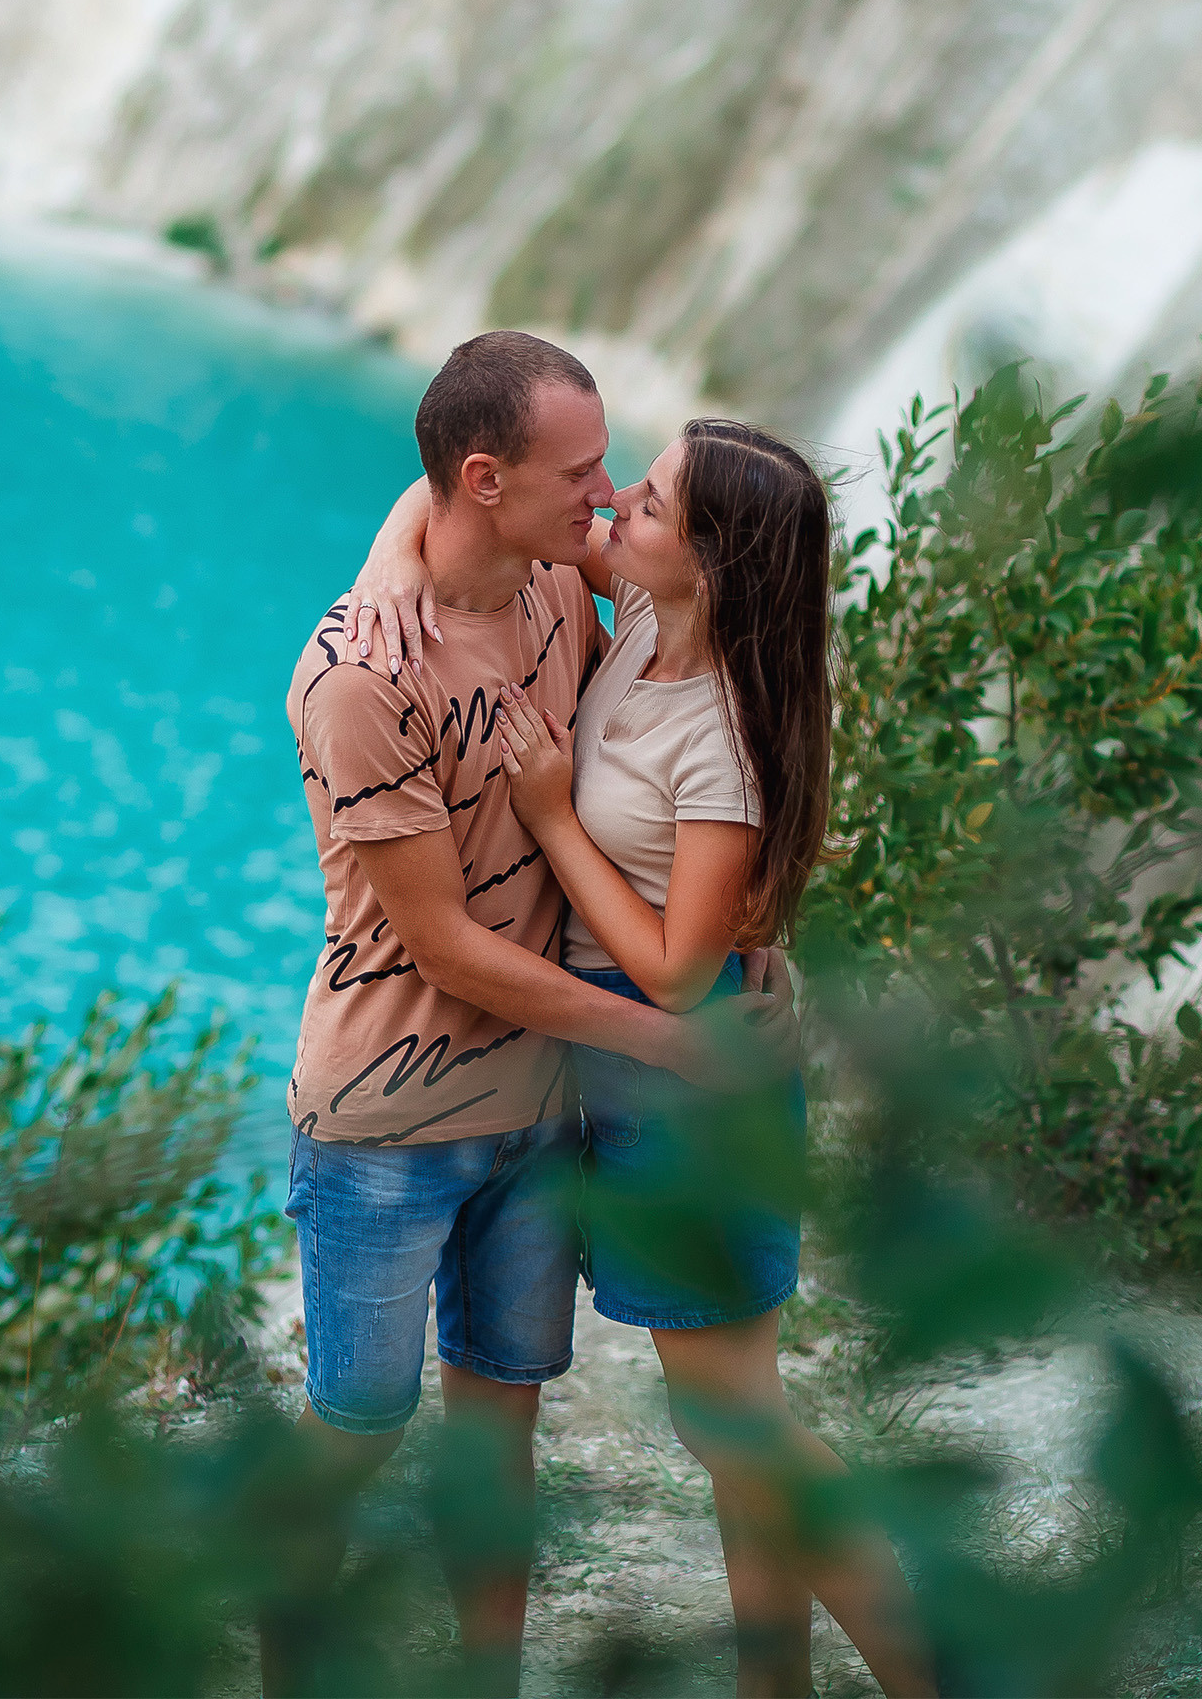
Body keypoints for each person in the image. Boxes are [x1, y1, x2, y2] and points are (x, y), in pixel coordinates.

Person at [350, 418, 936, 1699]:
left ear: (710, 565)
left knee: (738, 1423)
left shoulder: (716, 731)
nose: (616, 503)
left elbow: (674, 967)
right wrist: (391, 567)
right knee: (733, 1429)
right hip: (630, 1073)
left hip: (683, 1071)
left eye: (653, 501)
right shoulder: (646, 620)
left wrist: (554, 816)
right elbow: (460, 492)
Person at [271, 333, 799, 1698]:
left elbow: (682, 761)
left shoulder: (567, 589)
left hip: (536, 1115)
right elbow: (446, 945)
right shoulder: (359, 676)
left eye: (617, 473)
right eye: (585, 474)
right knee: (358, 1424)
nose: (609, 496)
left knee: (499, 1428)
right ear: (494, 479)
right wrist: (668, 1035)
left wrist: (742, 937)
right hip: (389, 1123)